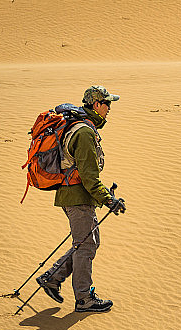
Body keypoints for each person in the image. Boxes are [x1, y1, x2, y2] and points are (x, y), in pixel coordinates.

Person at [36, 85, 125, 313]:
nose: (109, 108)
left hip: (75, 195)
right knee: (86, 246)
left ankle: (52, 277)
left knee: (88, 242)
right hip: (76, 196)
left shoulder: (83, 128)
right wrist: (108, 199)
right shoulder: (84, 132)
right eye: (107, 104)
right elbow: (89, 178)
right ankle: (84, 299)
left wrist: (104, 196)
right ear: (96, 104)